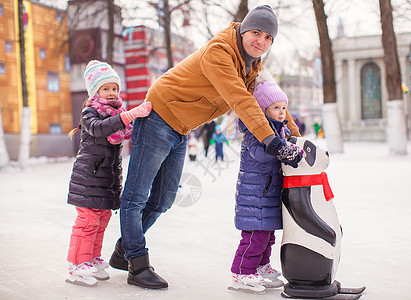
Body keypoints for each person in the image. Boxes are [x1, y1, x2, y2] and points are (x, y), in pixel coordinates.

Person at [109, 5, 303, 290]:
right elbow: (240, 100)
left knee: (162, 199)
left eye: (268, 38)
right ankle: (136, 263)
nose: (260, 41)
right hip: (157, 117)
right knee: (136, 197)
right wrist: (270, 141)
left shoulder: (251, 66)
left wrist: (296, 139)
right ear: (243, 30)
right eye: (256, 32)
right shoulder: (219, 53)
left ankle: (124, 248)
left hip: (181, 127)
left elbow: (270, 103)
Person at [65, 60, 152, 287]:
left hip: (105, 179)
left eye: (115, 88)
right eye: (106, 88)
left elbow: (119, 127)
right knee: (87, 220)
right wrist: (129, 116)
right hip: (89, 178)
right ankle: (77, 264)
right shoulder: (90, 112)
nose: (112, 93)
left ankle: (91, 259)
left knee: (101, 220)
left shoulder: (117, 114)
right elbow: (101, 129)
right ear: (95, 91)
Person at [229, 70, 303, 294]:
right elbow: (260, 155)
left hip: (267, 192)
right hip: (255, 194)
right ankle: (241, 273)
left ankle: (260, 267)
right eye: (276, 108)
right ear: (263, 109)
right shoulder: (255, 131)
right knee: (254, 238)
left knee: (268, 235)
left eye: (283, 108)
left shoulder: (280, 130)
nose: (282, 113)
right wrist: (282, 150)